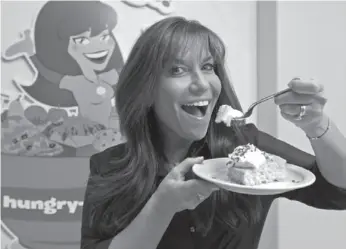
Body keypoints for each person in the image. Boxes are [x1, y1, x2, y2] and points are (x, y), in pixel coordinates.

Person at [80, 17, 346, 249]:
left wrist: (317, 124)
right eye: (178, 70)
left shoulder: (247, 150)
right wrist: (162, 206)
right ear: (146, 89)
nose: (201, 84)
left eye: (208, 67)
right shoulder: (109, 167)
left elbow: (338, 191)